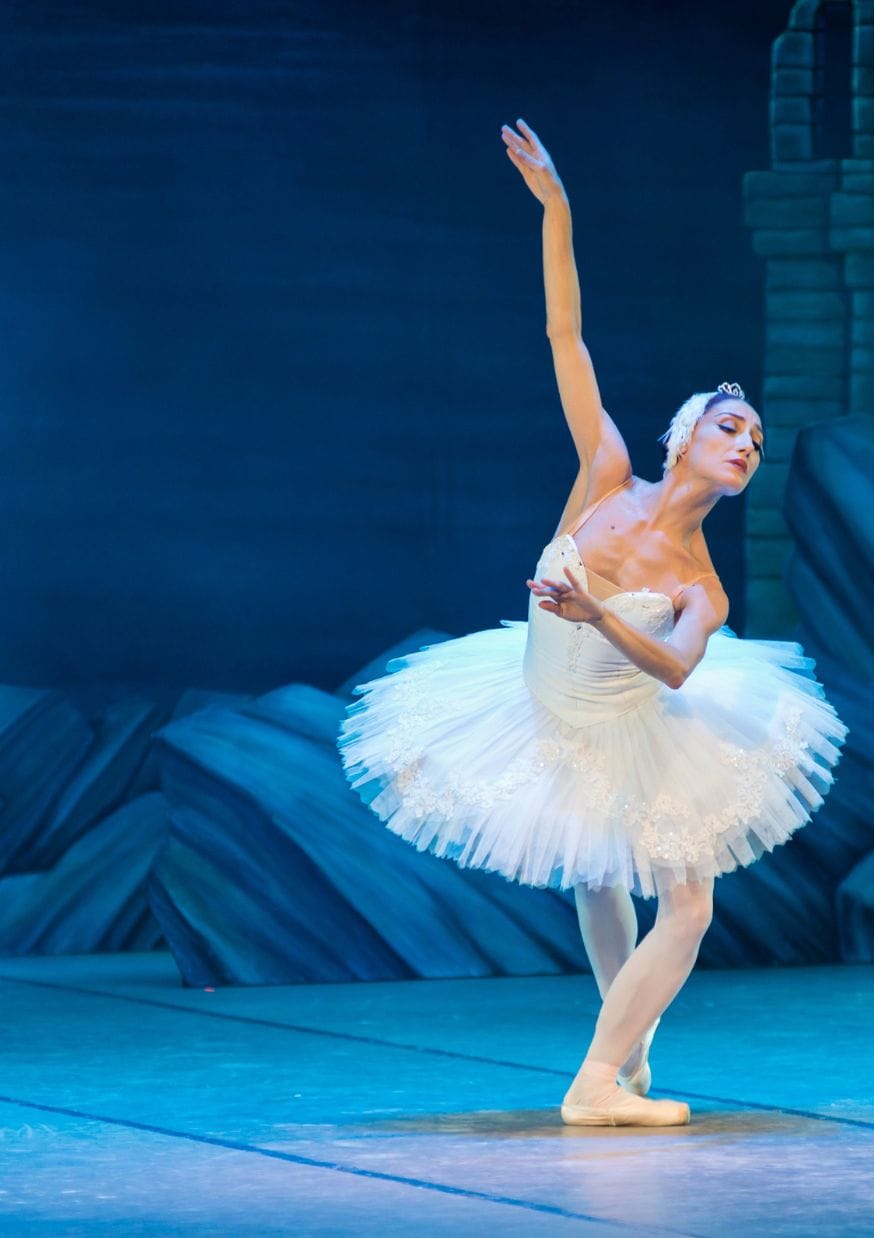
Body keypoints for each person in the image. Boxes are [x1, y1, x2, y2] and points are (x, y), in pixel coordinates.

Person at [337, 119, 848, 1128]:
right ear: (686, 434)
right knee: (593, 869)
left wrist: (597, 616)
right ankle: (618, 1062)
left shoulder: (705, 582)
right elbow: (564, 336)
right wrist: (557, 207)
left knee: (688, 902)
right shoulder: (606, 472)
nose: (745, 443)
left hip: (634, 717)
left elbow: (672, 672)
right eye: (729, 425)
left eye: (756, 439)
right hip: (538, 700)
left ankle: (600, 1074)